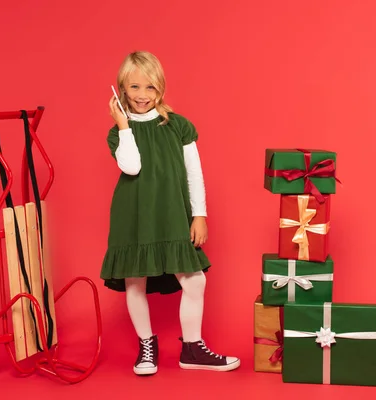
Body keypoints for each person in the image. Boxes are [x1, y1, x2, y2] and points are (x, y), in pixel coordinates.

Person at [100, 51, 240, 376]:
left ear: (160, 88)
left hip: (173, 213)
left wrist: (199, 214)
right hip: (133, 216)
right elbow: (132, 167)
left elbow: (194, 173)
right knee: (135, 281)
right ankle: (146, 345)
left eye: (150, 88)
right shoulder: (117, 133)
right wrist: (123, 126)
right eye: (134, 87)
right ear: (121, 88)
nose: (141, 95)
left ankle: (192, 348)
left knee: (194, 281)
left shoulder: (178, 126)